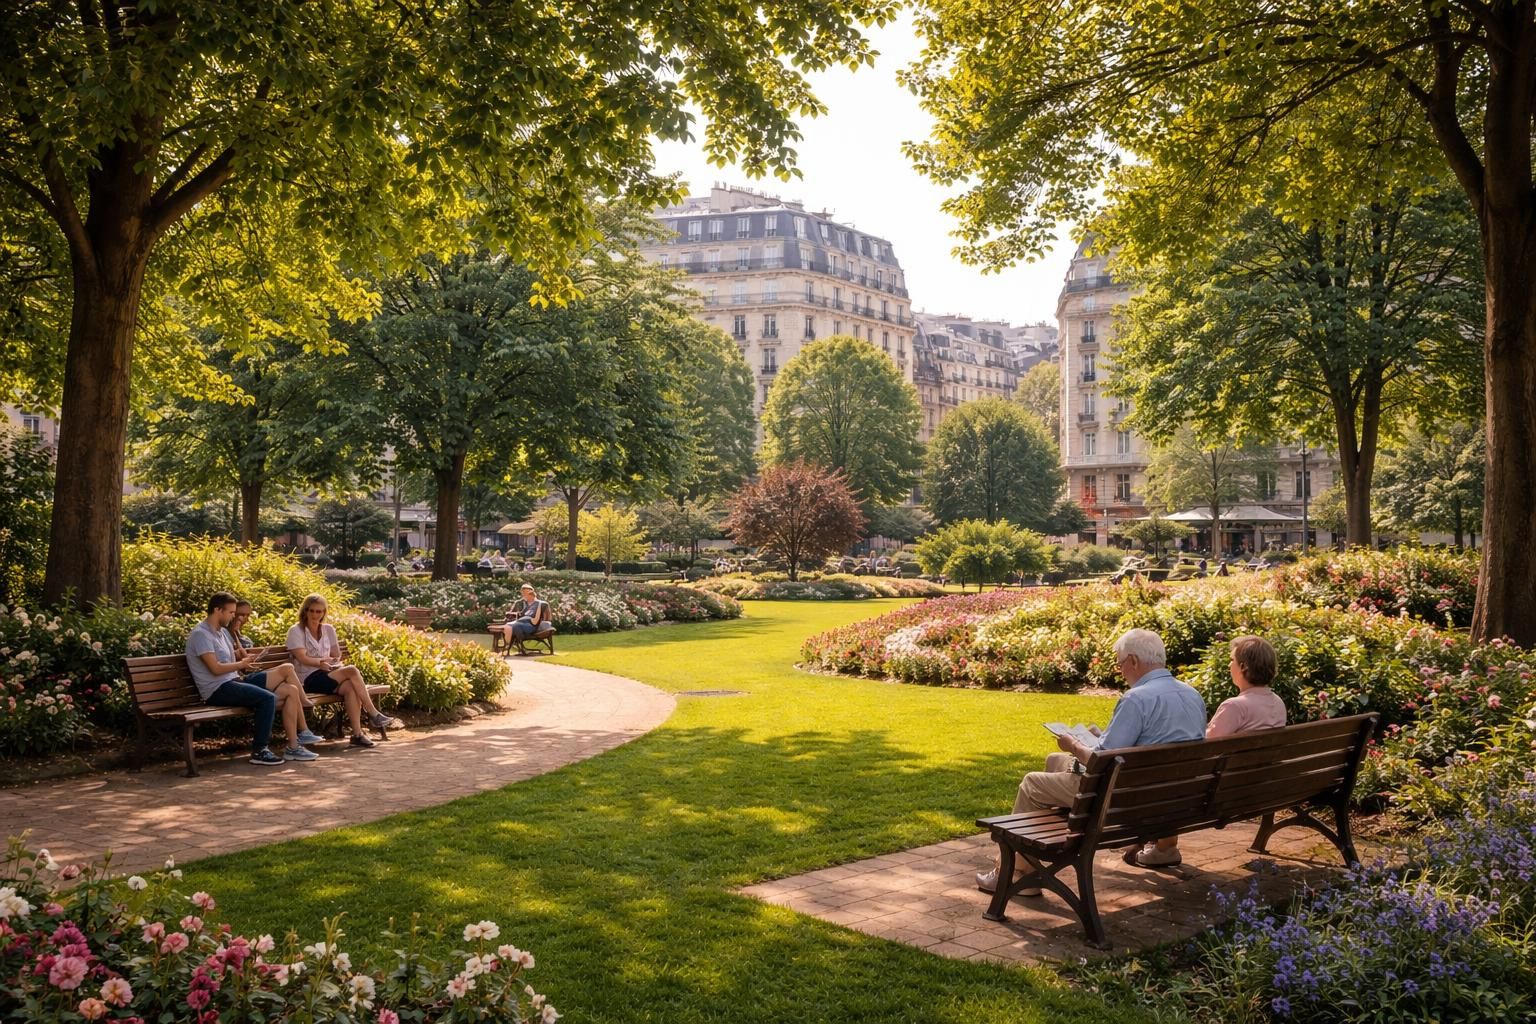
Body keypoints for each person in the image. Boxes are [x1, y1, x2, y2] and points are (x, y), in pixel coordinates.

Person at [977, 628, 1206, 893]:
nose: (1120, 671)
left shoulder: (1137, 699)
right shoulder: (1192, 695)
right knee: (1054, 761)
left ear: (1133, 661)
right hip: (1169, 797)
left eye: (1120, 664)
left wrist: (1073, 744)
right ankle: (1031, 860)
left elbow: (1102, 761)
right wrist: (1099, 737)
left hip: (1121, 801)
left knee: (1032, 783)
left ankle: (1018, 874)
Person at [1128, 636, 1289, 867]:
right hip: (1259, 787)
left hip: (1220, 794)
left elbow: (1203, 749)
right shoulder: (1277, 702)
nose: (1228, 665)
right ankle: (1160, 842)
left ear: (1243, 666)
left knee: (1167, 774)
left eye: (1231, 660)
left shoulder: (1235, 706)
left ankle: (1165, 847)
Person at [186, 592, 321, 765]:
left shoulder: (222, 633)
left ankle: (294, 746)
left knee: (290, 688)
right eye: (231, 612)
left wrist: (243, 659)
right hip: (217, 689)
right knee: (267, 698)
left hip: (234, 681)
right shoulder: (201, 634)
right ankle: (259, 750)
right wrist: (240, 664)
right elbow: (215, 668)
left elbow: (227, 661)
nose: (234, 616)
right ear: (218, 610)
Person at [288, 594, 403, 748]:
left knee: (350, 688)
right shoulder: (296, 630)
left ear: (324, 612)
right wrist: (319, 662)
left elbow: (336, 654)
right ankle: (373, 713)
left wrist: (333, 660)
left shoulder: (328, 629)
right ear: (305, 611)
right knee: (352, 671)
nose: (316, 615)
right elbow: (302, 658)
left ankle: (357, 735)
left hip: (328, 672)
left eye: (319, 611)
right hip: (308, 677)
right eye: (312, 611)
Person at [492, 583, 553, 652]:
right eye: (523, 592)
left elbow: (547, 619)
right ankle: (506, 647)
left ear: (532, 592)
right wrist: (513, 615)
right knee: (506, 627)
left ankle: (509, 646)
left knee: (514, 626)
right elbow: (512, 615)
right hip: (519, 622)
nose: (524, 594)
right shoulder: (519, 603)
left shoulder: (542, 604)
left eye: (526, 592)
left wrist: (541, 626)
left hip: (531, 625)